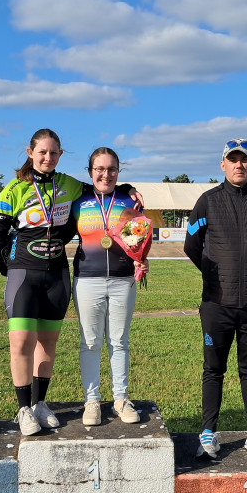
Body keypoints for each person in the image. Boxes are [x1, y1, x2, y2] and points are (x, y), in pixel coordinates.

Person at [0, 130, 141, 435]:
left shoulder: (70, 185)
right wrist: (12, 267)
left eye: (53, 153)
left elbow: (101, 186)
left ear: (60, 155)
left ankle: (39, 404)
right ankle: (23, 409)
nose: (48, 158)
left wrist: (128, 187)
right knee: (21, 342)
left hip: (57, 274)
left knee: (48, 342)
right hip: (25, 273)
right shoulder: (13, 189)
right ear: (30, 152)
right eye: (42, 152)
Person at [184, 138, 247, 459]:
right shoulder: (207, 201)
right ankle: (208, 432)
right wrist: (217, 276)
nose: (239, 165)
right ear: (223, 165)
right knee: (213, 369)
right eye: (233, 159)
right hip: (217, 304)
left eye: (244, 160)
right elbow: (192, 246)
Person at [71, 148, 148, 426]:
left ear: (118, 171)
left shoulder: (129, 200)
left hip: (122, 280)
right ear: (90, 172)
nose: (106, 174)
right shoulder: (78, 201)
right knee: (90, 343)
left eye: (112, 169)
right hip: (87, 279)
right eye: (100, 169)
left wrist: (141, 260)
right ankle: (91, 401)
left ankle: (120, 399)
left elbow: (136, 240)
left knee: (119, 341)